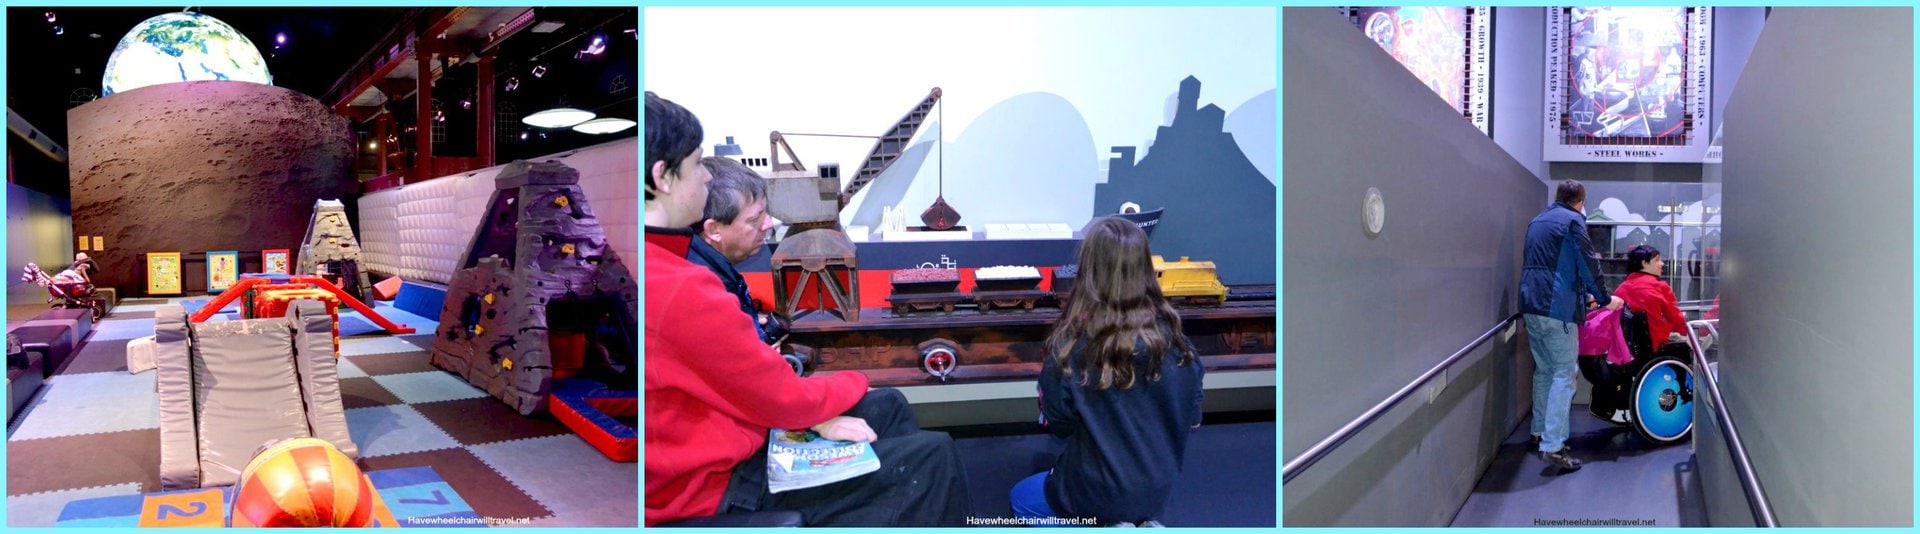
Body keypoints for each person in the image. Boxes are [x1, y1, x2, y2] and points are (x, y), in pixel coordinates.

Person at [643, 92, 967, 527]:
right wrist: (855, 381)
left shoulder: (668, 264)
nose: (705, 176)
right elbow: (777, 397)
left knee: (889, 408)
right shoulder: (679, 284)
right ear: (663, 177)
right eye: (697, 163)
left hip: (724, 446)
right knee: (931, 456)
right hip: (715, 486)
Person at [1011, 217, 1205, 527]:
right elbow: (1193, 421)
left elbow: (1059, 425)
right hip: (1157, 493)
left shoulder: (1070, 349)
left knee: (1021, 499)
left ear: (1088, 271)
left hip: (1096, 493)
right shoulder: (1181, 346)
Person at [1519, 179, 1622, 472]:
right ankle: (1553, 446)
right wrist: (1605, 299)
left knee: (1544, 371)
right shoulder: (1573, 221)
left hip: (1531, 305)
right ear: (1580, 202)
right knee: (1564, 375)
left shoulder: (1537, 222)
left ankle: (1539, 432)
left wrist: (1583, 296)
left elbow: (1553, 268)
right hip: (1557, 310)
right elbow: (1588, 264)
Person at [686, 156, 784, 345]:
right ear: (714, 230)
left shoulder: (704, 269)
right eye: (754, 219)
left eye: (766, 212)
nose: (768, 224)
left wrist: (745, 322)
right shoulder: (705, 298)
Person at [1614, 244, 1690, 350]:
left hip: (1625, 348)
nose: (1662, 263)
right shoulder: (1659, 287)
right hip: (1655, 346)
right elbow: (1675, 318)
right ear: (1644, 263)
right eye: (1657, 260)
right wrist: (1690, 335)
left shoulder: (1620, 289)